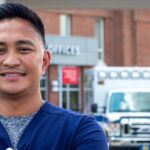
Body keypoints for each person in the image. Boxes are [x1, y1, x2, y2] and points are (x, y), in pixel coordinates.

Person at [0, 2, 108, 150]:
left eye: (23, 49)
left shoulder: (81, 132)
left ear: (44, 62)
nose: (10, 61)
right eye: (0, 50)